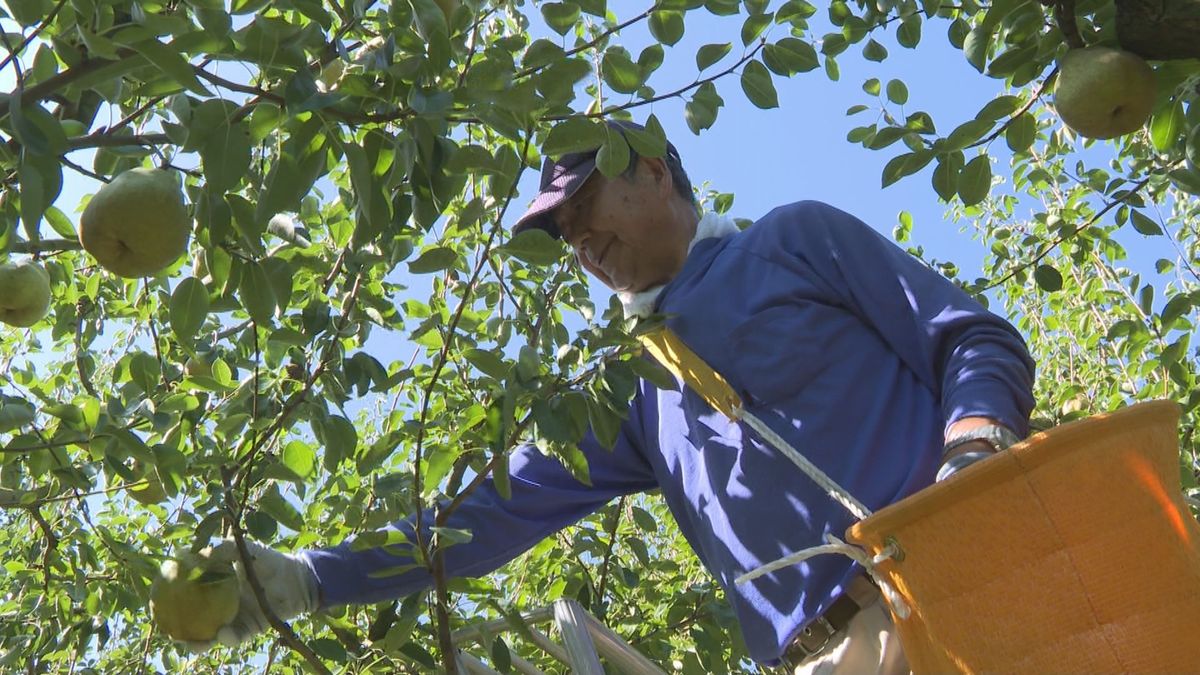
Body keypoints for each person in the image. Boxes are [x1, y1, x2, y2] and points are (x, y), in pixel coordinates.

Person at [184, 120, 1036, 673]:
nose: (579, 239)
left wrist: (973, 452)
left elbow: (971, 337)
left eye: (586, 204)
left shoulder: (792, 240)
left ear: (657, 173)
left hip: (958, 584)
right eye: (562, 231)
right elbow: (487, 520)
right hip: (821, 662)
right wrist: (309, 579)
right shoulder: (627, 390)